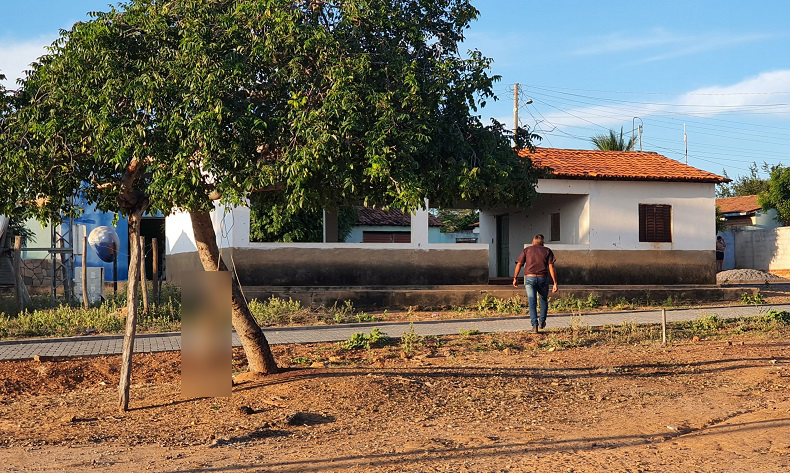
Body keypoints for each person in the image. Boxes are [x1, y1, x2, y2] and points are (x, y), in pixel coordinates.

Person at [513, 234, 558, 333]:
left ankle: (534, 325)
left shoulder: (527, 250)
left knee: (532, 301)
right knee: (543, 300)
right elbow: (551, 267)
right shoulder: (547, 251)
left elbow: (519, 264)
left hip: (530, 278)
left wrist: (515, 278)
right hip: (543, 278)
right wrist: (555, 282)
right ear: (543, 243)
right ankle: (542, 321)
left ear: (533, 242)